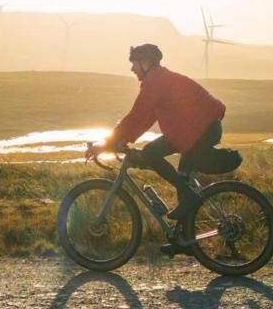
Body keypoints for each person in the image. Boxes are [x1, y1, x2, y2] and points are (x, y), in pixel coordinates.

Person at [86, 44, 226, 251]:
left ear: (146, 63)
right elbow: (144, 118)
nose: (132, 69)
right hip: (196, 129)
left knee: (152, 153)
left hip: (200, 129)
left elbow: (136, 116)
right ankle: (185, 241)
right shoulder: (160, 80)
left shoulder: (156, 82)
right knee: (180, 175)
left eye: (134, 64)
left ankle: (188, 200)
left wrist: (108, 143)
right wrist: (118, 139)